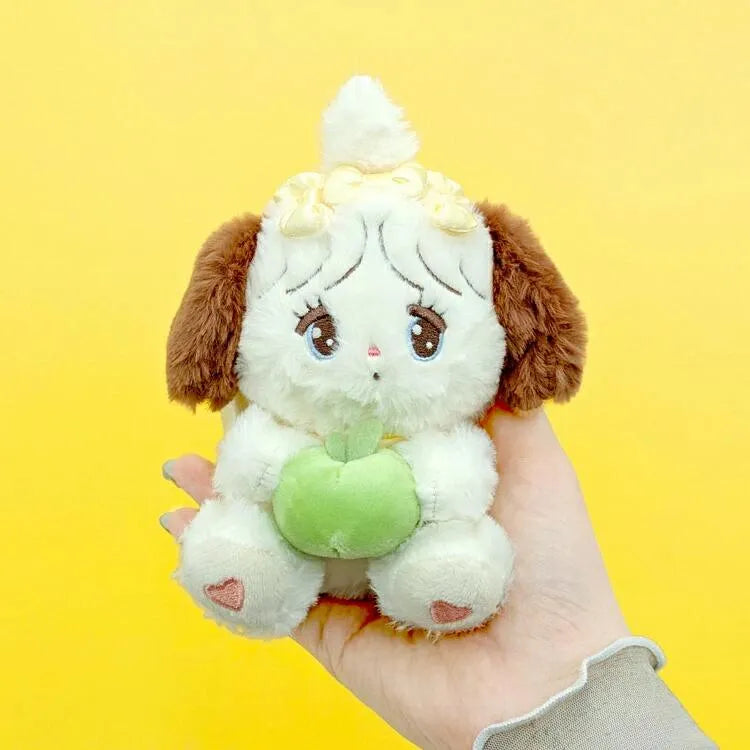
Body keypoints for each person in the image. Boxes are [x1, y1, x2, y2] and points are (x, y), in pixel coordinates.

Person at [160, 407, 717, 749]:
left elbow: (457, 473)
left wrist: (557, 695)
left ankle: (442, 581)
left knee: (448, 518)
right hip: (297, 526)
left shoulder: (437, 443)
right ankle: (252, 567)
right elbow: (252, 455)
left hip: (418, 537)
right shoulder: (274, 425)